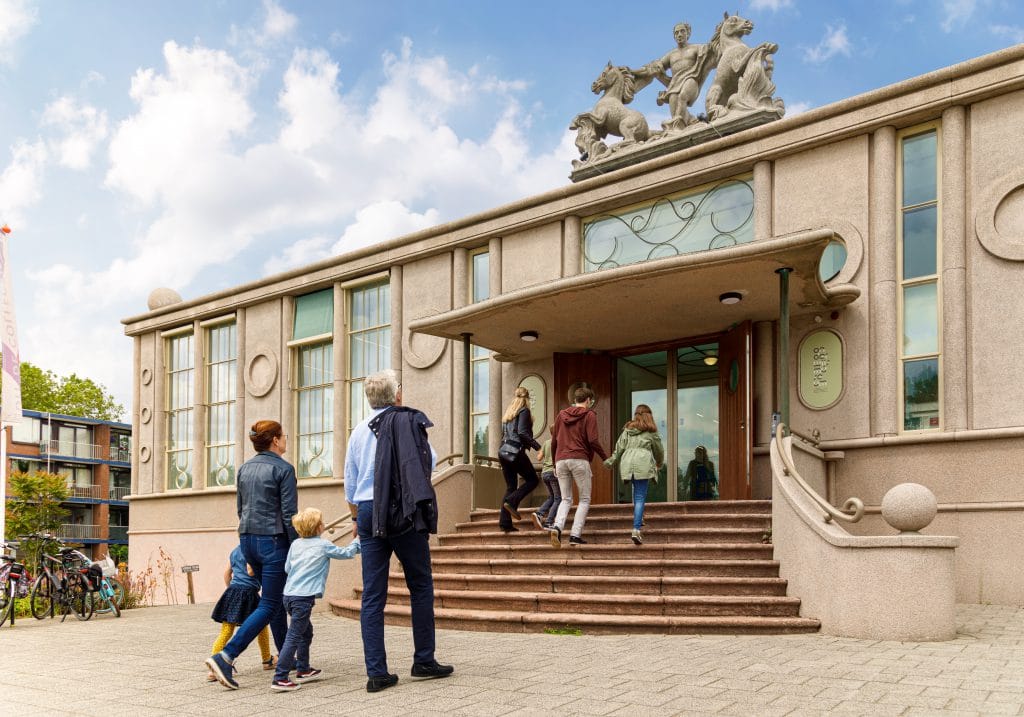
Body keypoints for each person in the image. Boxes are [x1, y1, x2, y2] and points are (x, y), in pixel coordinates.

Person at [344, 369, 454, 693]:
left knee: (373, 594)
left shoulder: (358, 431)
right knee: (420, 584)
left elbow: (350, 484)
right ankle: (423, 660)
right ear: (398, 395)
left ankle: (377, 672)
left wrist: (355, 519)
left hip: (366, 512)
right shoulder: (408, 423)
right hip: (402, 510)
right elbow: (427, 463)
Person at [206, 420, 298, 690]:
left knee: (274, 600)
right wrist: (296, 549)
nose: (286, 440)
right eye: (284, 436)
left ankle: (286, 657)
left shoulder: (245, 469)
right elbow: (290, 514)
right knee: (269, 604)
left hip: (247, 540)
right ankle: (225, 656)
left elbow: (240, 509)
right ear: (275, 441)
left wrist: (247, 542)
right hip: (274, 541)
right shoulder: (284, 469)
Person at [270, 507, 361, 692]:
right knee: (294, 635)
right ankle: (280, 677)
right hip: (303, 599)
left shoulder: (295, 544)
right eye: (322, 521)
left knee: (306, 632)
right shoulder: (323, 545)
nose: (324, 523)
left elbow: (288, 568)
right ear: (318, 527)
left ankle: (303, 669)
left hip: (288, 595)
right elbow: (347, 553)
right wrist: (357, 540)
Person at [547, 386, 608, 548]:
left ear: (575, 400)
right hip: (579, 459)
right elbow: (593, 440)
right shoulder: (589, 415)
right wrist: (604, 458)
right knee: (584, 499)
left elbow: (554, 441)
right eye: (591, 401)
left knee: (566, 499)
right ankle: (575, 534)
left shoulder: (561, 415)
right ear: (588, 400)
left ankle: (558, 526)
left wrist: (554, 462)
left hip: (560, 460)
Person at [207, 546, 276, 682]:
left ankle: (214, 668)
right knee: (261, 626)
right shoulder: (253, 549)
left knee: (226, 631)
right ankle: (267, 660)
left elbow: (227, 573)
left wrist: (231, 590)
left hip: (233, 591)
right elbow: (251, 571)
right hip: (249, 593)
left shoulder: (234, 551)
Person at [635, 21, 719, 130]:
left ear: (688, 33)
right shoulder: (671, 55)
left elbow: (712, 48)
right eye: (676, 33)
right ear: (674, 36)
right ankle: (691, 121)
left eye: (682, 31)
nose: (679, 34)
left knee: (683, 96)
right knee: (675, 107)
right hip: (675, 86)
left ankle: (675, 126)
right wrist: (634, 72)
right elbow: (654, 67)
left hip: (691, 80)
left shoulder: (697, 48)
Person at [604, 405, 665, 545]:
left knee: (635, 492)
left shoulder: (628, 430)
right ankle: (636, 530)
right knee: (640, 496)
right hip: (642, 463)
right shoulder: (651, 432)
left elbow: (619, 447)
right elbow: (659, 451)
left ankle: (640, 516)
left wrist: (611, 461)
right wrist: (659, 463)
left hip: (627, 463)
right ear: (648, 415)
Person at [497, 387, 542, 533]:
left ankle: (505, 523)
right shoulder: (524, 411)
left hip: (503, 452)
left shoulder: (508, 414)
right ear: (527, 399)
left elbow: (506, 435)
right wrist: (538, 447)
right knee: (532, 480)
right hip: (515, 451)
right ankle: (511, 501)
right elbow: (522, 433)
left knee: (511, 486)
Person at [532, 432, 560, 530]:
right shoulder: (559, 442)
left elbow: (539, 458)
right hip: (553, 473)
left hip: (544, 473)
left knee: (551, 497)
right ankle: (548, 522)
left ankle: (539, 514)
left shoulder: (546, 442)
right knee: (558, 498)